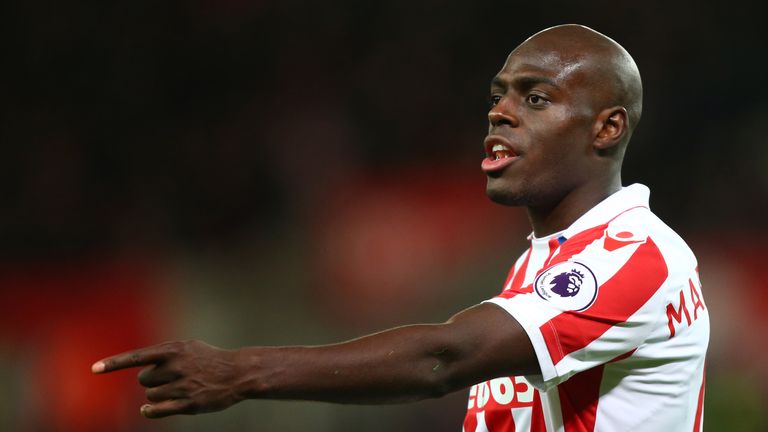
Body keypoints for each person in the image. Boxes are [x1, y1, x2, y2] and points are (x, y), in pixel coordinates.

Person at [92, 24, 709, 431]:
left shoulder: (635, 255)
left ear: (607, 128)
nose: (501, 111)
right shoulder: (548, 260)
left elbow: (445, 357)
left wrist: (240, 371)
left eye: (536, 98)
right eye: (499, 95)